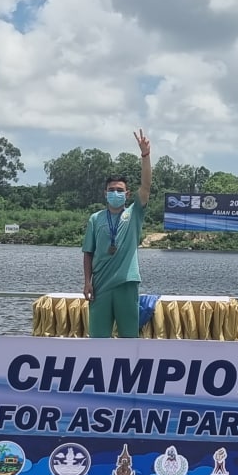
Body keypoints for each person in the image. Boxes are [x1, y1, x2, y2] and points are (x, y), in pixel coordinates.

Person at [82, 130, 153, 338]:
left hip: (126, 283)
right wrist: (87, 282)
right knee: (98, 339)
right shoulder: (95, 219)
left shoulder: (134, 213)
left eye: (120, 190)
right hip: (100, 285)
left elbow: (146, 186)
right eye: (112, 190)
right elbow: (88, 253)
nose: (116, 193)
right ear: (105, 193)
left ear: (127, 194)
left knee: (129, 339)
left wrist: (145, 155)